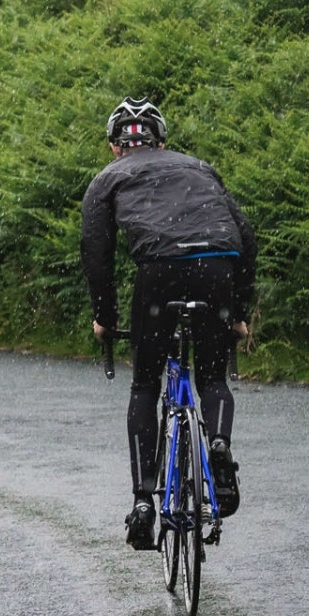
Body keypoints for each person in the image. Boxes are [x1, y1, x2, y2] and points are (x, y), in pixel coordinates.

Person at [81, 98, 254, 551]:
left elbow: (96, 253)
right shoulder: (198, 167)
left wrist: (105, 316)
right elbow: (245, 232)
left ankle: (143, 502)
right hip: (219, 263)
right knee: (212, 377)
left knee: (144, 384)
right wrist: (238, 311)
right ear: (162, 141)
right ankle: (217, 445)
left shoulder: (109, 178)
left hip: (158, 271)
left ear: (114, 146)